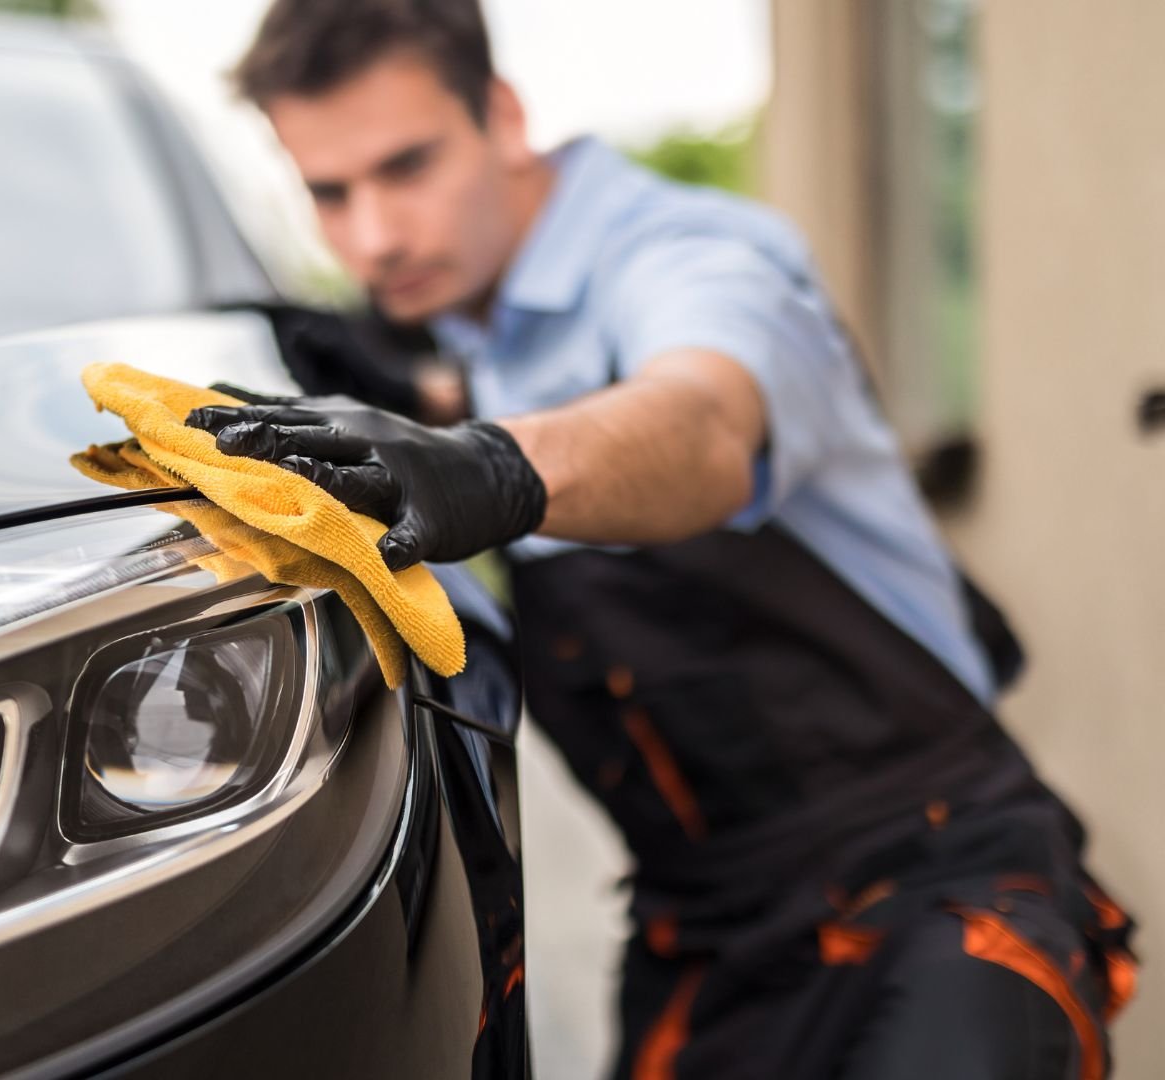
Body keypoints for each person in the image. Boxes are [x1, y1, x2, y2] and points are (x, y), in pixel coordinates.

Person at [191, 1, 1139, 1076]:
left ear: (503, 115)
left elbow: (704, 421)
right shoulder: (474, 324)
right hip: (708, 946)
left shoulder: (692, 256)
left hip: (936, 893)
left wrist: (493, 466)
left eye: (407, 166)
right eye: (330, 193)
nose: (375, 237)